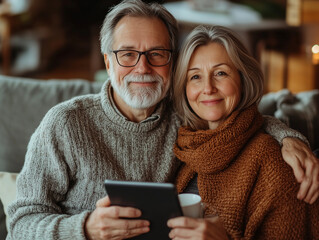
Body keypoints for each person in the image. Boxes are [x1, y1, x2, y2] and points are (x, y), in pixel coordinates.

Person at [6, 0, 319, 239]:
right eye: (127, 54)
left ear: (173, 62)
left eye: (157, 54)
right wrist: (84, 228)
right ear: (107, 60)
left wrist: (288, 137)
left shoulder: (187, 111)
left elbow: (241, 112)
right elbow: (20, 223)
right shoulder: (65, 124)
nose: (142, 68)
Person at [167, 25, 319, 239]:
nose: (208, 88)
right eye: (195, 77)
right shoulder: (183, 148)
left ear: (243, 78)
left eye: (220, 73)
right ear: (183, 87)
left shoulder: (274, 163)